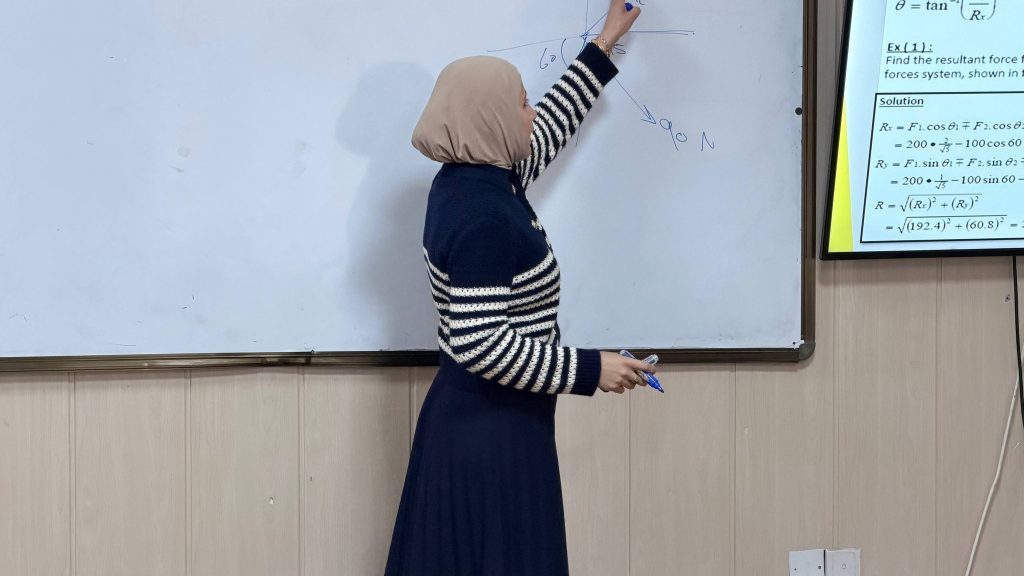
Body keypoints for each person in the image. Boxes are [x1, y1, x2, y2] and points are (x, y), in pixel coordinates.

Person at [385, 2, 655, 574]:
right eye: (521, 104)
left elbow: (548, 127)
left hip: (495, 422)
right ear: (492, 120)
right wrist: (591, 369)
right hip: (487, 435)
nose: (531, 114)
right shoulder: (482, 215)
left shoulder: (476, 179)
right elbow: (479, 342)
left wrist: (605, 43)